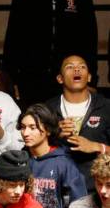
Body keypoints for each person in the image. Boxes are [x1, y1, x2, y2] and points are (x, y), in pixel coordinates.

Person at [4, 0, 98, 105]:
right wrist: (11, 78)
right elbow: (13, 38)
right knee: (33, 126)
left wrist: (91, 79)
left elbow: (89, 39)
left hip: (68, 77)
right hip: (30, 77)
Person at [19, 104, 87, 208]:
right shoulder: (19, 161)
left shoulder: (63, 163)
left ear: (48, 130)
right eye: (23, 127)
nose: (25, 133)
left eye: (32, 127)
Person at [44, 54, 110, 186]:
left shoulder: (106, 107)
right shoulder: (47, 109)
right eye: (70, 67)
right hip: (57, 185)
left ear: (89, 77)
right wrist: (55, 135)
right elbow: (32, 149)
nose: (77, 70)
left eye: (82, 66)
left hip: (95, 188)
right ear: (60, 78)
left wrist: (96, 146)